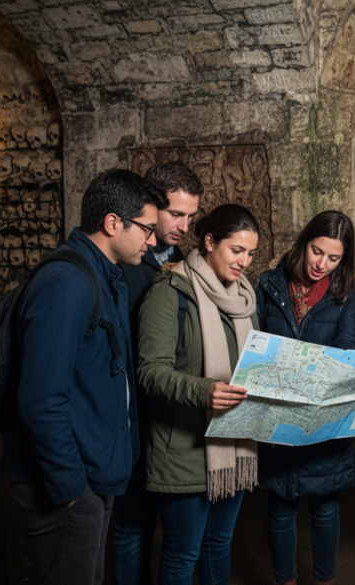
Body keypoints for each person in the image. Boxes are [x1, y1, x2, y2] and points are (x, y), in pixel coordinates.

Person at [2, 168, 168, 585]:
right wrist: (75, 492)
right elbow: (40, 399)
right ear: (113, 223)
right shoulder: (67, 284)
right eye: (148, 228)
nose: (154, 240)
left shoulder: (102, 275)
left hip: (92, 474)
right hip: (68, 486)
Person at [255, 210, 355, 585]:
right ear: (304, 243)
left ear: (344, 259)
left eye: (333, 258)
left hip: (323, 414)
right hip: (278, 411)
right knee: (280, 507)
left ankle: (324, 581)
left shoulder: (346, 293)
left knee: (325, 507)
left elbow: (347, 345)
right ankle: (285, 580)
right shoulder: (269, 284)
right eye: (316, 251)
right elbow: (254, 342)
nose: (321, 264)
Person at [136, 204, 262, 585]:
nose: (245, 262)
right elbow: (150, 372)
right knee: (182, 553)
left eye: (251, 253)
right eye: (236, 250)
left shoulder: (245, 300)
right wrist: (205, 391)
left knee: (218, 544)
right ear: (209, 242)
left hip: (235, 443)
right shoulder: (169, 291)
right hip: (184, 449)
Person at [114, 161, 203, 585]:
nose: (184, 225)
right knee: (132, 525)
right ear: (151, 206)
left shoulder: (178, 259)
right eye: (176, 214)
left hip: (166, 414)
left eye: (191, 216)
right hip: (130, 413)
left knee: (160, 527)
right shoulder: (124, 261)